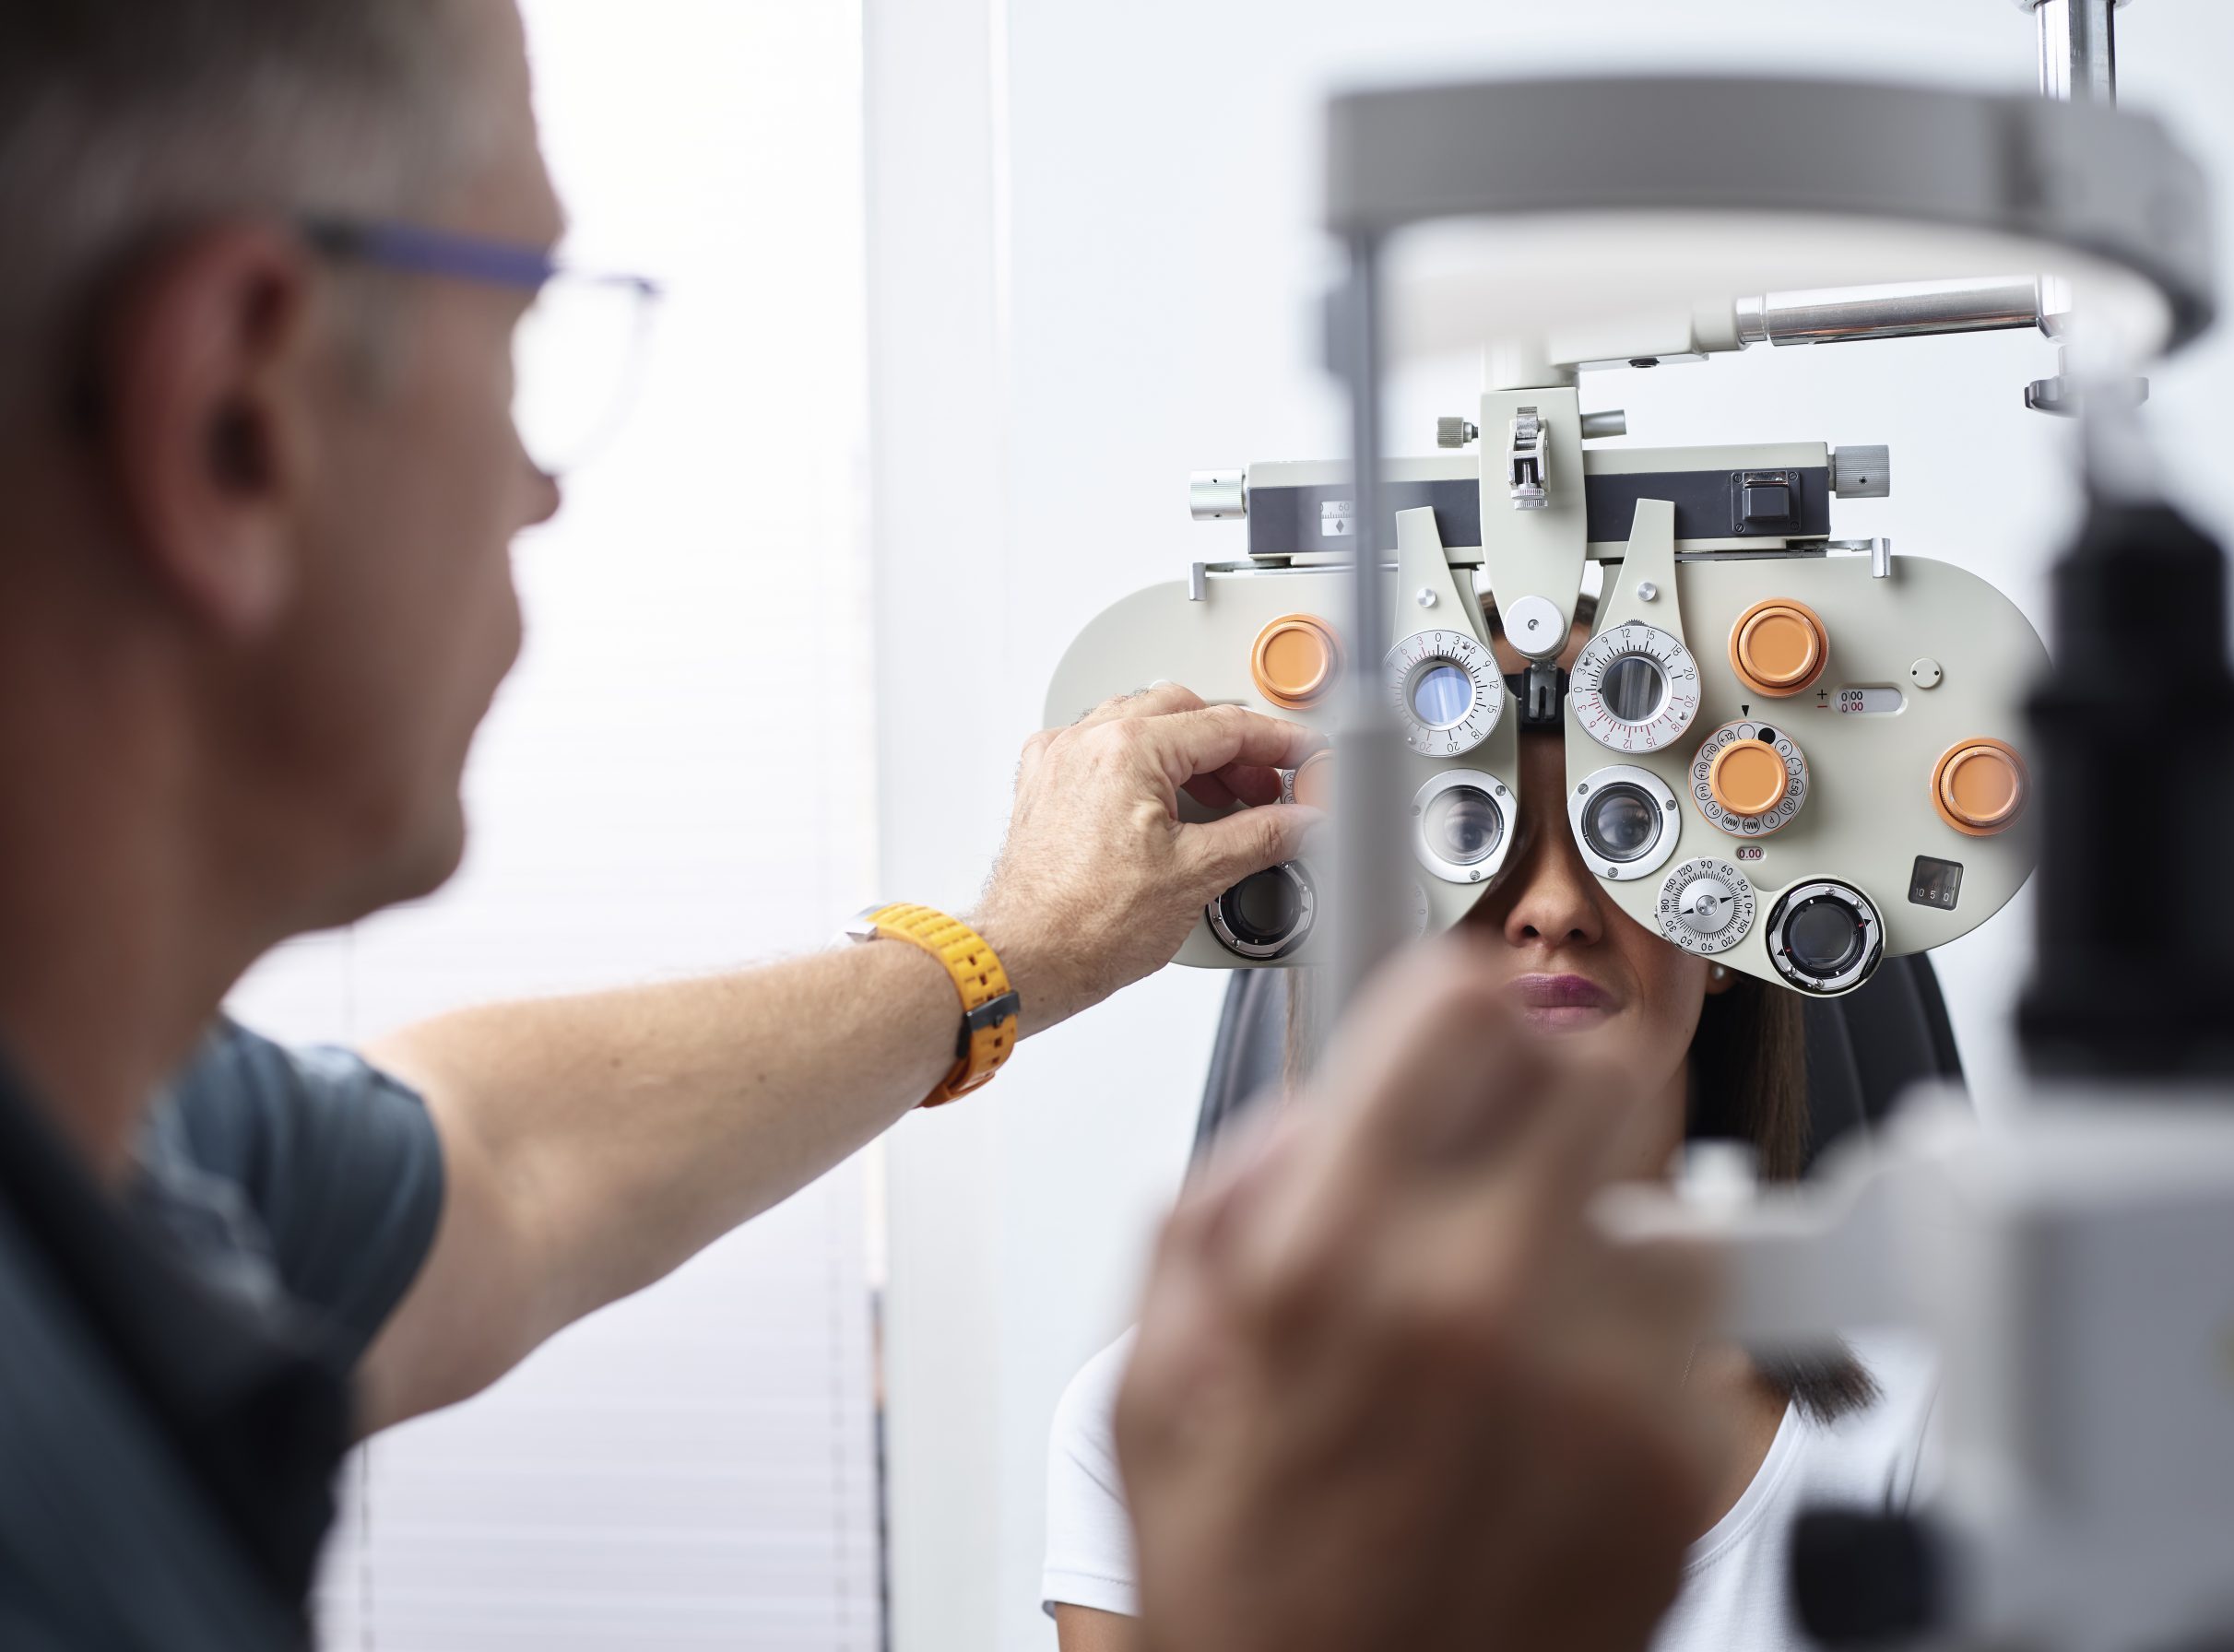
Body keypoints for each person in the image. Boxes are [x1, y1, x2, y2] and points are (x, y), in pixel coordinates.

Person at [0, 4, 1730, 1649]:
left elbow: (512, 1159)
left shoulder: (146, 1159)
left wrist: (1016, 956)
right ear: (236, 414)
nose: (539, 484)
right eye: (524, 326)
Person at [1044, 602, 1940, 1652]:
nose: (1553, 903)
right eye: (1471, 831)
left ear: (1726, 924)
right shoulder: (1170, 1426)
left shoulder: (1932, 1421)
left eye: (1629, 827)